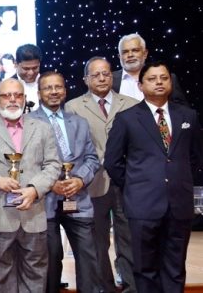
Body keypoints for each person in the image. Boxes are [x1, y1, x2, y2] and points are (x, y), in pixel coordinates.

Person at [104, 61, 202, 292]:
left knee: (176, 266)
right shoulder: (127, 118)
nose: (159, 82)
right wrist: (135, 186)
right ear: (140, 85)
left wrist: (180, 179)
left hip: (179, 203)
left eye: (164, 78)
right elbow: (112, 161)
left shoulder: (188, 115)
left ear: (171, 82)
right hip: (142, 205)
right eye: (152, 78)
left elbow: (197, 158)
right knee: (145, 268)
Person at [64, 56, 140, 292]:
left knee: (128, 240)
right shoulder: (73, 107)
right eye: (95, 74)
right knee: (96, 242)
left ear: (112, 76)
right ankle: (103, 287)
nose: (101, 78)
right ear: (86, 78)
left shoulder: (131, 104)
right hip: (91, 182)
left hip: (126, 182)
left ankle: (131, 287)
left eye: (106, 73)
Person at [0, 78, 60, 291]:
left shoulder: (42, 128)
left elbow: (53, 164)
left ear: (25, 99)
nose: (13, 100)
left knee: (36, 274)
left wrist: (35, 189)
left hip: (33, 213)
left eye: (18, 95)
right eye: (7, 95)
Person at [27, 72, 102, 292]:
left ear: (65, 91)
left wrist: (79, 180)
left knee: (89, 258)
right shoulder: (29, 122)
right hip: (44, 202)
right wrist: (50, 184)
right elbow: (28, 164)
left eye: (58, 87)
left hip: (77, 199)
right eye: (48, 88)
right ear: (39, 93)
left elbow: (91, 158)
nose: (53, 92)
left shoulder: (79, 122)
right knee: (50, 259)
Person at [112, 33, 188, 105]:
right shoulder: (109, 79)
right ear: (119, 57)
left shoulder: (167, 78)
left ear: (145, 53)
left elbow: (182, 111)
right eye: (125, 52)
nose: (130, 55)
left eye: (135, 50)